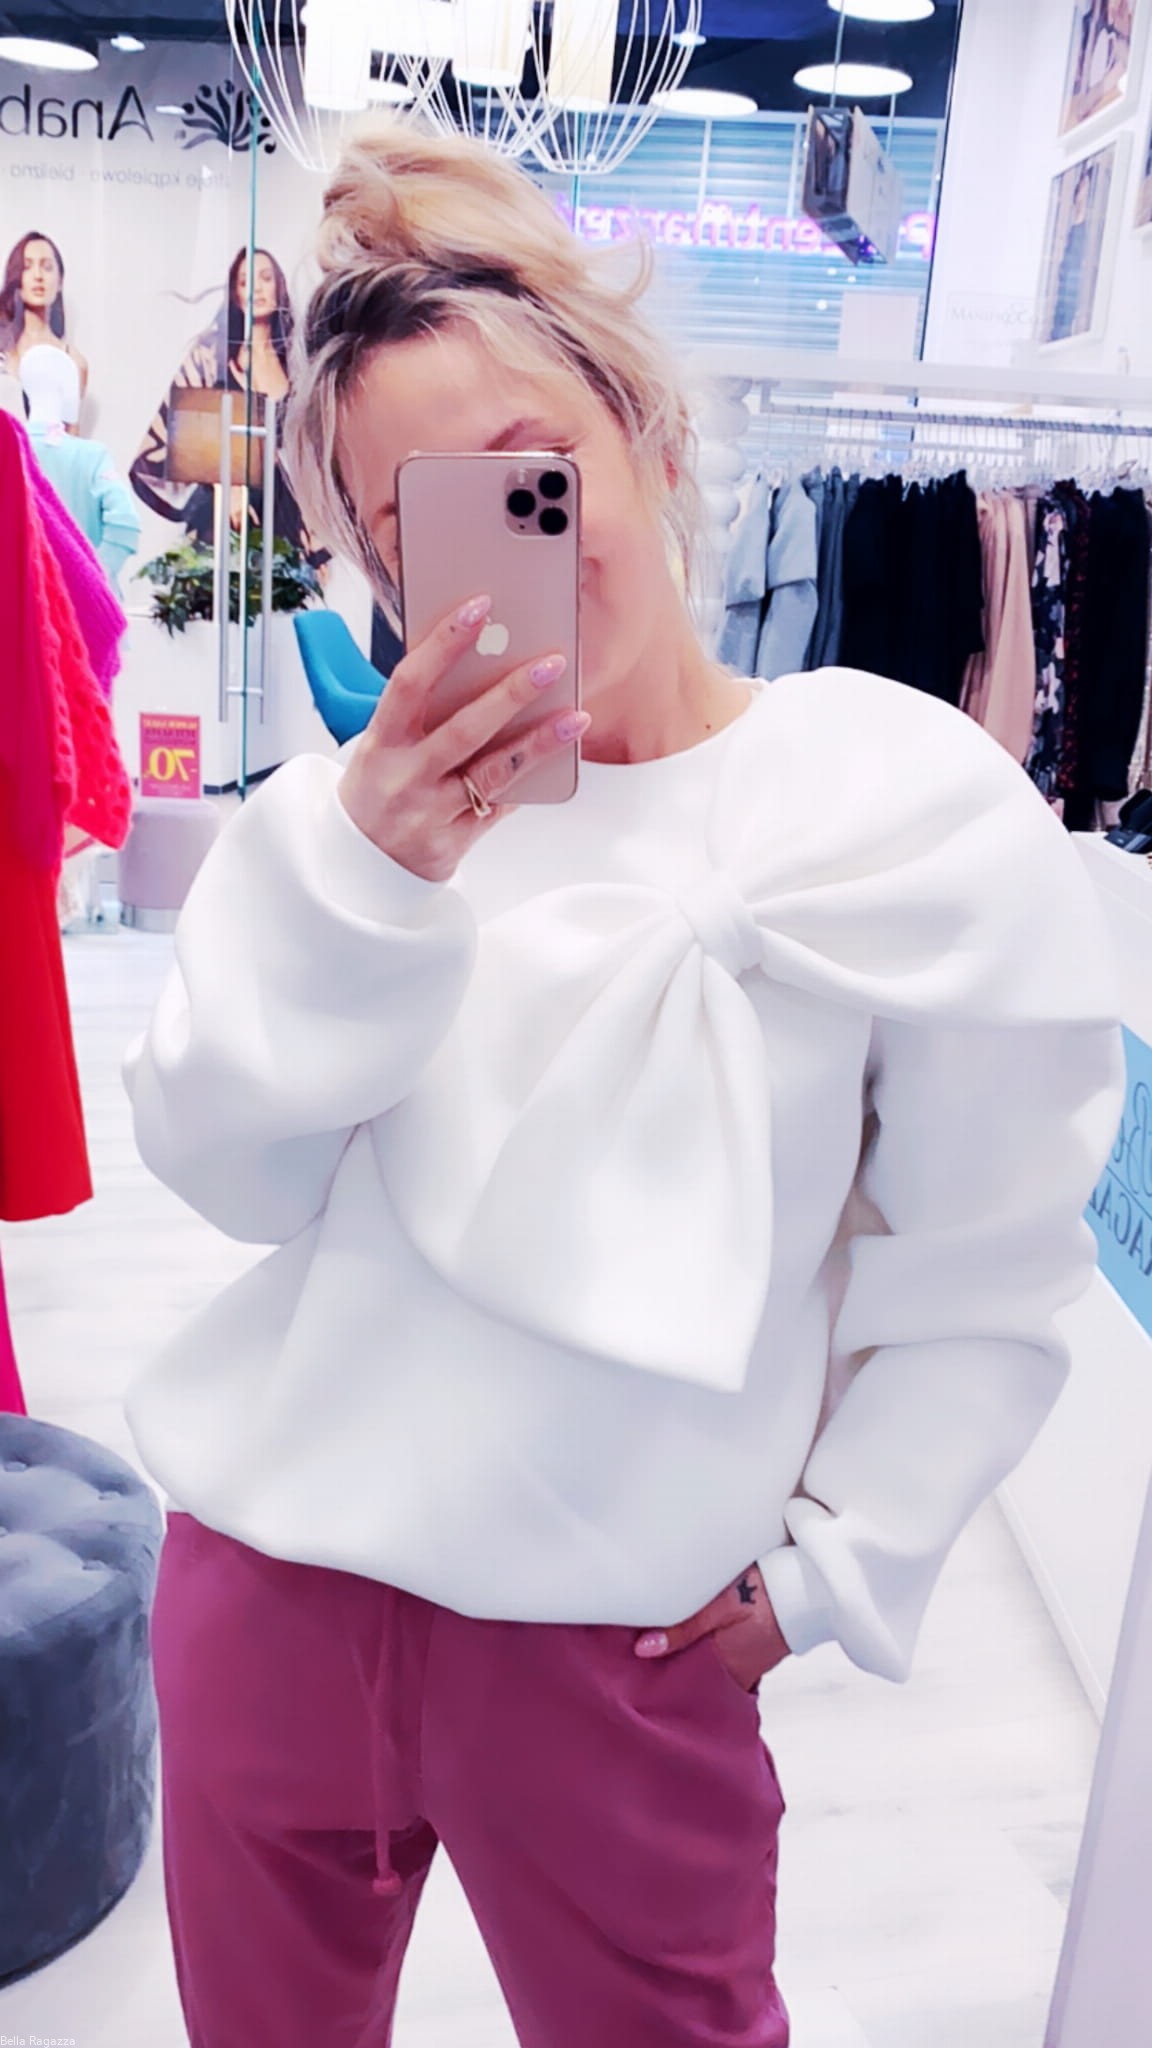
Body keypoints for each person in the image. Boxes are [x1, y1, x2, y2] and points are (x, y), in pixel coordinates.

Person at [123, 119, 1126, 2048]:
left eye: (538, 470)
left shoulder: (885, 806)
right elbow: (228, 1170)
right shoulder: (351, 823)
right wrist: (368, 880)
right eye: (422, 519)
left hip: (617, 1648)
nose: (512, 540)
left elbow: (986, 1255)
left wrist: (836, 1564)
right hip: (267, 1595)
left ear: (648, 437)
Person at [129, 244, 323, 565]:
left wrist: (316, 544)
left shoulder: (296, 363)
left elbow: (311, 455)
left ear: (279, 287)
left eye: (265, 278)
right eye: (246, 282)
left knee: (283, 591)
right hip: (220, 511)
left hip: (281, 513)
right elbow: (180, 435)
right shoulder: (210, 357)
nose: (257, 288)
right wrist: (227, 485)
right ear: (235, 294)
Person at [0, 231, 88, 420]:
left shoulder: (73, 363)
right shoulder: (3, 349)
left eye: (47, 267)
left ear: (60, 280)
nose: (38, 276)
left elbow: (70, 434)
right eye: (27, 267)